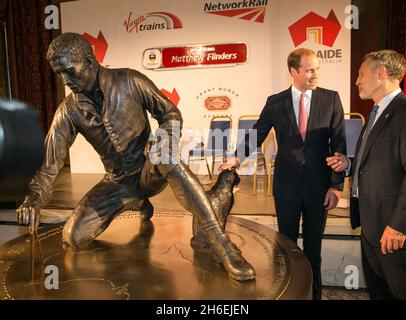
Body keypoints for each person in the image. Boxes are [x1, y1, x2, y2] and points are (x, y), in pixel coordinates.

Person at [16, 33, 255, 282]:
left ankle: (222, 245)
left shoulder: (129, 80)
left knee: (163, 153)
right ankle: (137, 202)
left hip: (149, 169)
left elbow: (170, 113)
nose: (65, 80)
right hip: (117, 183)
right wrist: (33, 199)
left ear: (88, 61)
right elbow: (49, 163)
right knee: (74, 237)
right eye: (59, 74)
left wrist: (165, 136)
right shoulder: (68, 110)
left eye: (69, 71)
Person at [220, 48, 346, 299]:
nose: (315, 74)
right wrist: (236, 157)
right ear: (293, 71)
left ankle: (314, 296)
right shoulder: (275, 102)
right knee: (286, 250)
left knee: (313, 251)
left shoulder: (331, 98)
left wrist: (336, 186)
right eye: (309, 69)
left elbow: (339, 144)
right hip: (286, 187)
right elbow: (257, 133)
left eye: (317, 69)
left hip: (318, 188)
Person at [326, 50, 406, 299]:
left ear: (381, 73)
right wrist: (348, 164)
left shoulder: (402, 112)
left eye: (361, 74)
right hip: (371, 225)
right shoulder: (376, 112)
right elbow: (378, 161)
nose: (357, 81)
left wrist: (398, 225)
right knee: (379, 293)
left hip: (391, 228)